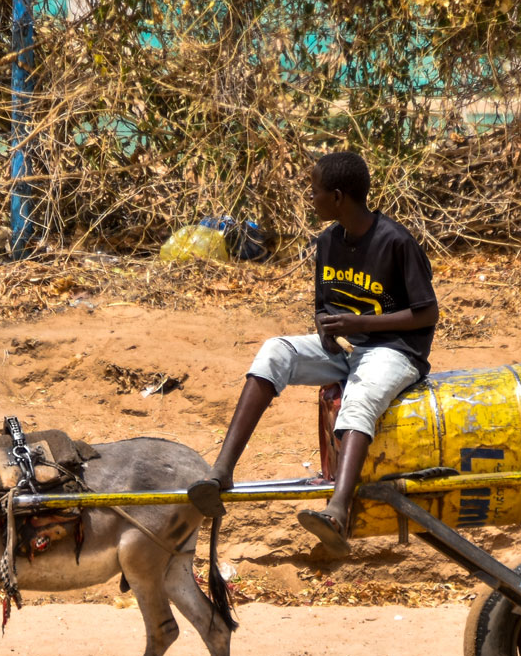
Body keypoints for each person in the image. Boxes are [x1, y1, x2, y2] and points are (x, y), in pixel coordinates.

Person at [187, 150, 438, 554]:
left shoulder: (395, 241)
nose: (311, 198)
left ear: (338, 197)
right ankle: (222, 472)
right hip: (346, 350)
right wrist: (325, 328)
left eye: (315, 191)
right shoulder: (328, 242)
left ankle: (338, 509)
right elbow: (325, 307)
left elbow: (427, 313)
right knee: (274, 352)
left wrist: (361, 325)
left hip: (395, 351)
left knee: (358, 400)